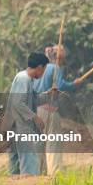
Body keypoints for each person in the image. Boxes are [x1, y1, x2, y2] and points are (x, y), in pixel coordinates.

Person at [33, 45, 83, 175]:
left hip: (35, 110)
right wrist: (74, 84)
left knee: (38, 142)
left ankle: (36, 172)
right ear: (60, 57)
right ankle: (55, 174)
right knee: (53, 141)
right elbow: (60, 85)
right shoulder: (55, 68)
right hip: (48, 111)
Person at [6, 52, 49, 176]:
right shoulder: (23, 78)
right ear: (40, 67)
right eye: (44, 70)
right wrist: (35, 117)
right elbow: (18, 102)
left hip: (16, 126)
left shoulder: (28, 80)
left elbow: (33, 101)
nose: (43, 73)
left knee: (16, 164)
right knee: (29, 163)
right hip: (19, 126)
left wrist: (49, 95)